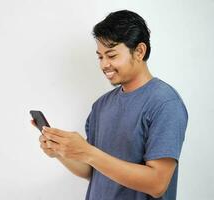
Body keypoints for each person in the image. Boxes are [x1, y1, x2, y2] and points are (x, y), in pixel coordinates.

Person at [31, 10, 188, 200]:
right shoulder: (101, 106)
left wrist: (88, 152)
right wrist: (61, 152)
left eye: (111, 55)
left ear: (139, 51)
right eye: (100, 56)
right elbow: (92, 170)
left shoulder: (164, 103)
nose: (104, 64)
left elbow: (157, 184)